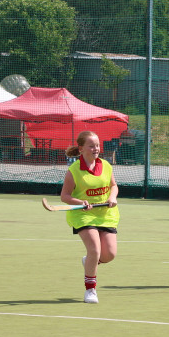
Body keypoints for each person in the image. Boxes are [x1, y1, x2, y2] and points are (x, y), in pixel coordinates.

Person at [60, 130, 119, 304]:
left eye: (98, 145)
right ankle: (90, 289)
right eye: (91, 146)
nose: (96, 149)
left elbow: (114, 186)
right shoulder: (74, 170)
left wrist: (112, 197)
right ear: (81, 149)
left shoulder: (106, 166)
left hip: (105, 214)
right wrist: (80, 201)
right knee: (94, 248)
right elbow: (65, 196)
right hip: (83, 215)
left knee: (109, 255)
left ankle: (90, 262)